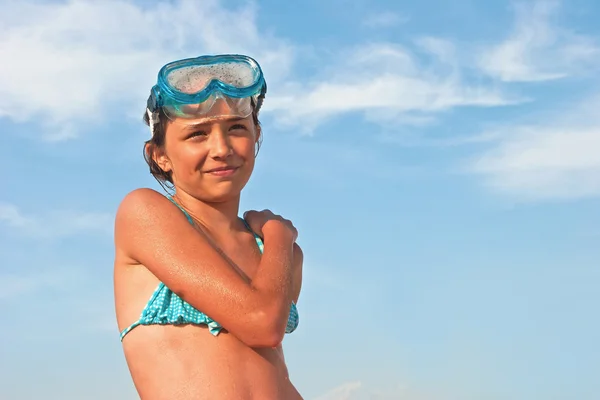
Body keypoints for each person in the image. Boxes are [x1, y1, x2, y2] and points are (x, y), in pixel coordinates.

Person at [113, 54, 304, 400]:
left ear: (256, 134)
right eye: (197, 135)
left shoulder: (274, 254)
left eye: (236, 128)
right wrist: (280, 234)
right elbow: (262, 322)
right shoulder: (143, 212)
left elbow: (270, 372)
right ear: (160, 155)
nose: (221, 148)